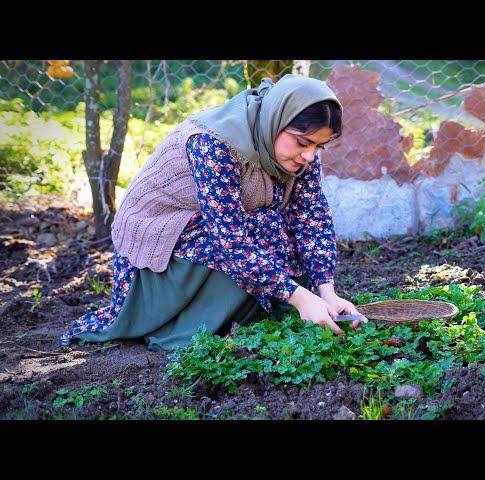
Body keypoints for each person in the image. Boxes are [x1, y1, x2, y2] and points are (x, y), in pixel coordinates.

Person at [60, 74, 367, 352]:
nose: (310, 155)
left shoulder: (298, 152)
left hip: (216, 234)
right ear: (277, 118)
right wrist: (300, 295)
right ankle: (183, 329)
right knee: (264, 228)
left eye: (319, 146)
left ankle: (251, 312)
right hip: (158, 252)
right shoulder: (213, 144)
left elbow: (311, 219)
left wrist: (326, 291)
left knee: (272, 227)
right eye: (303, 142)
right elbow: (230, 241)